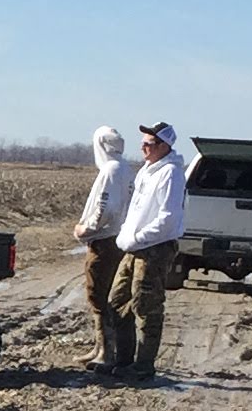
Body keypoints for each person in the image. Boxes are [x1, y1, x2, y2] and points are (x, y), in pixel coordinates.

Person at [109, 120, 188, 381]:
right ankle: (123, 360)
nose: (143, 147)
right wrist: (127, 237)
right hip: (134, 247)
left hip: (155, 248)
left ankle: (143, 366)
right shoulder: (147, 170)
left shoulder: (171, 174)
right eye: (142, 142)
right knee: (118, 301)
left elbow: (167, 218)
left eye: (149, 143)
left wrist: (139, 238)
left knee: (147, 306)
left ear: (164, 146)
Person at [73, 123, 131, 371]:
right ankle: (100, 348)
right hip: (117, 239)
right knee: (104, 294)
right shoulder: (127, 169)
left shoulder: (111, 170)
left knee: (99, 294)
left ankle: (106, 352)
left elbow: (105, 207)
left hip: (106, 241)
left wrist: (87, 229)